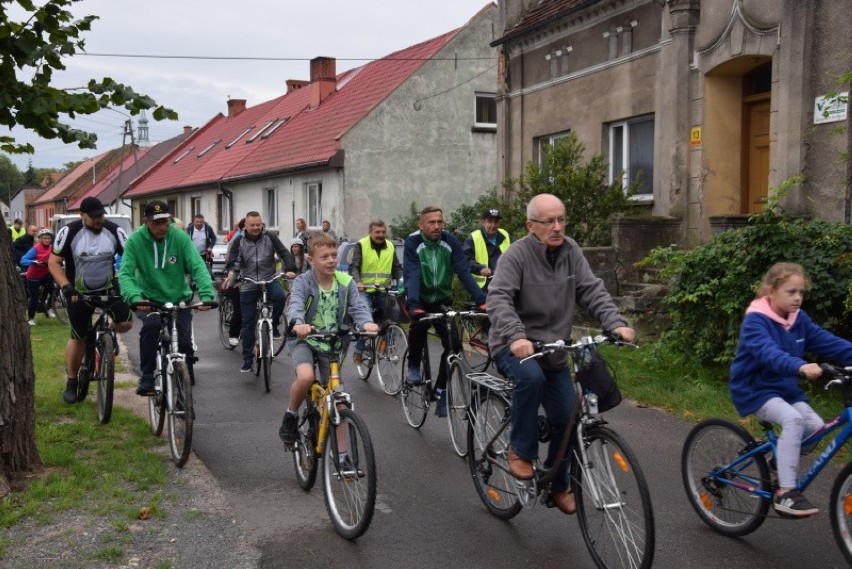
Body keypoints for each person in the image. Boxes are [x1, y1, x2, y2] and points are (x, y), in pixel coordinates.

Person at [486, 193, 634, 515]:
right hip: (514, 344)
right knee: (531, 377)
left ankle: (558, 483)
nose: (557, 227)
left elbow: (591, 290)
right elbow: (498, 298)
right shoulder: (517, 255)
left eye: (561, 219)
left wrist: (615, 323)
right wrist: (516, 336)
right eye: (549, 221)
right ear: (530, 225)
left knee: (568, 416)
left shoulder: (571, 252)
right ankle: (520, 451)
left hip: (553, 347)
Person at [730, 262, 852, 517]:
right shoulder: (756, 321)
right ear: (771, 291)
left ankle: (780, 455)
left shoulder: (799, 320)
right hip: (754, 389)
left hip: (785, 389)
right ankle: (785, 493)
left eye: (801, 292)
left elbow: (828, 342)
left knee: (816, 429)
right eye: (791, 292)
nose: (798, 298)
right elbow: (769, 353)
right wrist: (800, 366)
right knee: (794, 420)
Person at [278, 232, 377, 448]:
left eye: (334, 255)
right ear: (311, 260)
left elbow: (358, 306)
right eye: (324, 257)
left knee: (338, 401)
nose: (331, 260)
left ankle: (342, 455)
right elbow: (295, 305)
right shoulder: (303, 282)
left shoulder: (346, 282)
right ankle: (291, 415)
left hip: (332, 343)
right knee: (305, 377)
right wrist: (298, 323)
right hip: (304, 339)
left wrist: (366, 323)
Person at [118, 200, 215, 396]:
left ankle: (183, 395)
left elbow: (197, 266)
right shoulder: (136, 241)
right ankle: (146, 376)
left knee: (186, 345)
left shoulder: (179, 238)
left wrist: (206, 295)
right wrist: (135, 296)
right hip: (148, 299)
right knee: (152, 327)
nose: (162, 227)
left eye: (165, 221)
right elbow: (125, 273)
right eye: (156, 223)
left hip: (179, 297)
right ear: (146, 222)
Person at [403, 206, 486, 417]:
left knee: (454, 345)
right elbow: (412, 273)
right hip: (420, 298)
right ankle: (413, 365)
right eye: (432, 222)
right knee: (419, 329)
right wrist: (413, 304)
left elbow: (463, 272)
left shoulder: (450, 242)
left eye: (440, 222)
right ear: (421, 225)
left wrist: (482, 300)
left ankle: (441, 391)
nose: (437, 226)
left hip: (442, 300)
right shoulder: (413, 242)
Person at [50, 197, 133, 404]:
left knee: (126, 321)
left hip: (108, 288)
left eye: (101, 215)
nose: (99, 220)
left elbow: (132, 258)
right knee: (79, 336)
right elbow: (53, 262)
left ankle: (109, 333)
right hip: (78, 292)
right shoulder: (69, 232)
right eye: (94, 217)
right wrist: (66, 287)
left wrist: (129, 282)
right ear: (82, 215)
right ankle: (71, 381)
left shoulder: (114, 231)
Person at [225, 211, 297, 372]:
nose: (256, 227)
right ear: (246, 226)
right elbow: (231, 260)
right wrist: (232, 270)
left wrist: (291, 268)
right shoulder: (239, 241)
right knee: (248, 322)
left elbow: (284, 253)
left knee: (279, 297)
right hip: (248, 282)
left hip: (269, 278)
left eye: (259, 224)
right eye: (252, 225)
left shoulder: (270, 237)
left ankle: (275, 323)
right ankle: (247, 360)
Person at [349, 219, 402, 364]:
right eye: (377, 232)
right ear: (370, 232)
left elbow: (396, 267)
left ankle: (386, 346)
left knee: (393, 315)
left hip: (382, 289)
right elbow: (354, 266)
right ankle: (359, 350)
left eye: (383, 232)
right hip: (364, 289)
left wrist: (402, 282)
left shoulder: (390, 246)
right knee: (366, 319)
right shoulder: (362, 244)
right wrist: (357, 281)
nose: (381, 235)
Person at [464, 208, 510, 293]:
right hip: (481, 288)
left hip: (504, 285)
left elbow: (516, 255)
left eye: (496, 222)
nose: (493, 225)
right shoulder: (473, 238)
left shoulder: (505, 235)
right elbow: (465, 261)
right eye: (489, 221)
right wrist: (480, 269)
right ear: (483, 222)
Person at [20, 228, 56, 326]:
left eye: (49, 238)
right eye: (45, 238)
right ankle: (31, 318)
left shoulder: (52, 248)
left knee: (53, 290)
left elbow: (56, 258)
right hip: (34, 276)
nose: (47, 240)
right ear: (40, 239)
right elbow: (23, 260)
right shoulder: (35, 249)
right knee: (34, 298)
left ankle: (48, 308)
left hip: (46, 274)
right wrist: (34, 262)